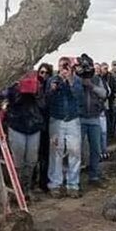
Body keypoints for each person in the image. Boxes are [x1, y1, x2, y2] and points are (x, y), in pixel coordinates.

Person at [47, 57, 83, 198]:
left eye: (66, 66)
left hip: (73, 120)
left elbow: (78, 95)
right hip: (57, 120)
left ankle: (73, 185)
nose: (64, 69)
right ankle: (55, 184)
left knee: (75, 152)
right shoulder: (53, 80)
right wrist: (53, 88)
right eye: (62, 66)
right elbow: (47, 99)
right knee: (56, 153)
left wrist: (70, 80)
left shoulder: (76, 80)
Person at [5, 72, 44, 196]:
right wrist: (17, 89)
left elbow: (43, 105)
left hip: (33, 125)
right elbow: (7, 99)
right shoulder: (11, 83)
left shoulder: (38, 83)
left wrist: (37, 92)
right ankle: (16, 189)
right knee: (18, 161)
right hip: (17, 125)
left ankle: (26, 189)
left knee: (31, 160)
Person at [77, 56, 108, 187]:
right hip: (79, 118)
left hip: (94, 117)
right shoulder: (76, 79)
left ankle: (94, 176)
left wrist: (91, 85)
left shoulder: (97, 79)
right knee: (77, 149)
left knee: (96, 148)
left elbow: (104, 93)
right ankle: (75, 179)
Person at [36, 63, 53, 192]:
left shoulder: (51, 87)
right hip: (36, 124)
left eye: (46, 73)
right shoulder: (36, 86)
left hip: (47, 124)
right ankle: (32, 181)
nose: (44, 75)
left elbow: (47, 105)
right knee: (35, 156)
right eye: (42, 72)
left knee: (45, 155)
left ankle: (43, 181)